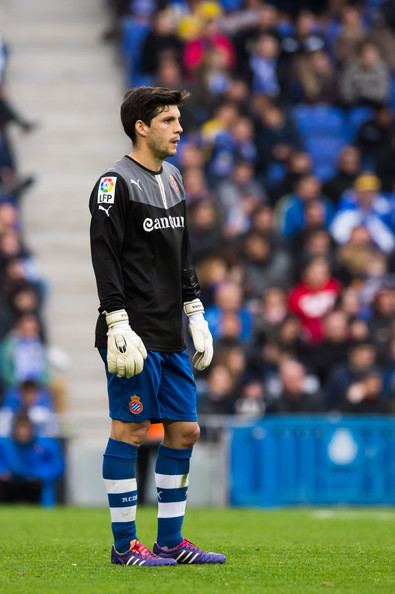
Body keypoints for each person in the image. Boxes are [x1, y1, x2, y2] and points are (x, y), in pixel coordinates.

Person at [89, 87, 225, 567]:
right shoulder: (114, 184)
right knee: (128, 430)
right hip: (133, 333)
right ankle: (124, 546)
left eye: (179, 119)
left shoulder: (174, 180)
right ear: (141, 127)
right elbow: (104, 258)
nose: (180, 128)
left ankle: (170, 542)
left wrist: (195, 312)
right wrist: (116, 319)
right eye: (169, 120)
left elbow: (183, 255)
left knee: (185, 430)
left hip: (170, 330)